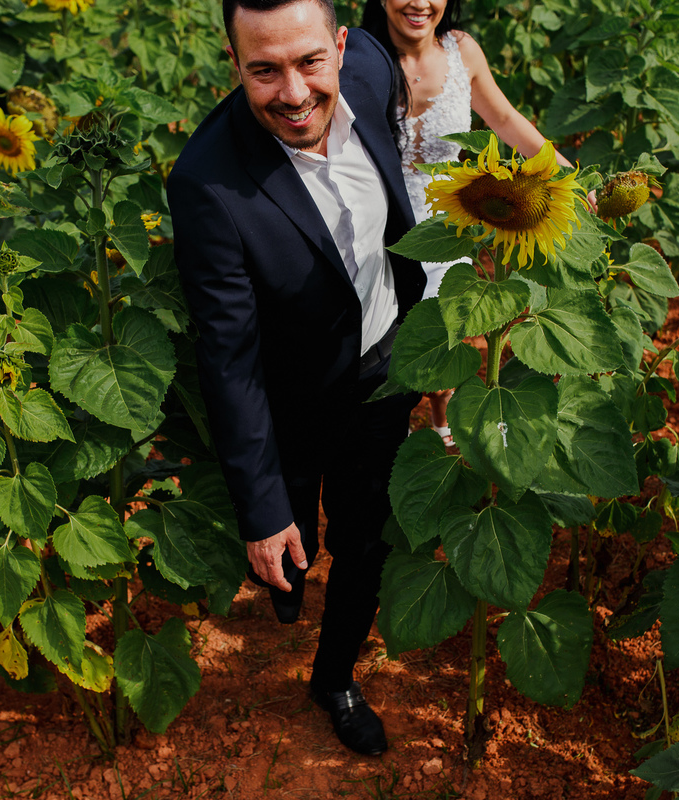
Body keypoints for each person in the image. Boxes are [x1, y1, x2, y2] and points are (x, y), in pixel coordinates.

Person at [167, 0, 425, 757]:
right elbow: (230, 354)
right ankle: (286, 577)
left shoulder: (374, 70)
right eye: (264, 69)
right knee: (288, 531)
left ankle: (335, 677)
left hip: (381, 367)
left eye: (310, 61)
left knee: (365, 536)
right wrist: (261, 509)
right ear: (233, 62)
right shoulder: (208, 184)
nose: (294, 91)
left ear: (342, 46)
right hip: (290, 395)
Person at [361, 0, 585, 445]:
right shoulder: (363, 56)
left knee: (450, 326)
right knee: (390, 342)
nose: (420, 3)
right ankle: (393, 432)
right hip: (378, 226)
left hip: (450, 220)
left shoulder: (461, 50)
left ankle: (444, 429)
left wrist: (563, 174)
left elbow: (502, 118)